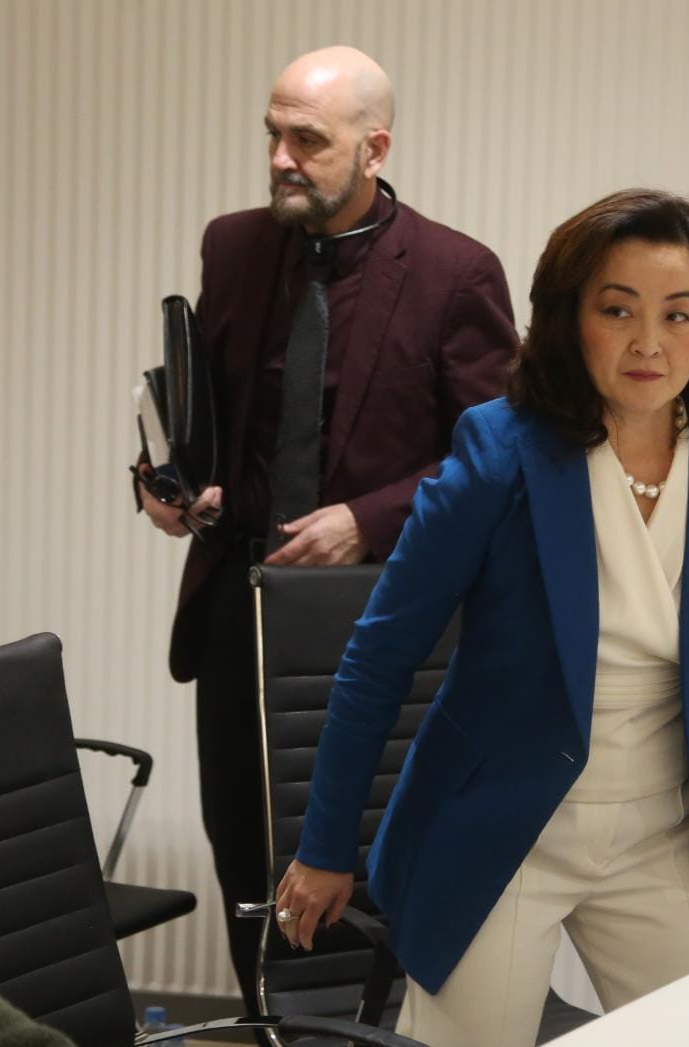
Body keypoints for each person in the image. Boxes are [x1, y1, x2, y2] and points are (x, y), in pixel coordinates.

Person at [272, 189, 689, 1047]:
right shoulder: (499, 449)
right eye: (617, 310)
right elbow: (380, 655)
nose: (648, 342)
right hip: (505, 829)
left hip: (663, 828)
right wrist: (324, 847)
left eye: (677, 313)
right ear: (570, 318)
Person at [134, 46, 518, 1007]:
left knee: (367, 859)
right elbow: (203, 414)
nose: (281, 158)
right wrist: (164, 482)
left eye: (307, 140)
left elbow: (498, 458)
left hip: (384, 618)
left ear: (374, 148)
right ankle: (271, 1025)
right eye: (273, 135)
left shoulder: (454, 272)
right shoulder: (233, 247)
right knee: (244, 853)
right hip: (243, 608)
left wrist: (368, 518)